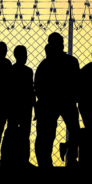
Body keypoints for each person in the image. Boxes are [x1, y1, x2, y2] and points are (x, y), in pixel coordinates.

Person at [34, 33, 81, 167]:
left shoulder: (45, 64)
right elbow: (77, 82)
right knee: (52, 134)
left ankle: (47, 162)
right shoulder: (70, 61)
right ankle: (67, 159)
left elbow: (38, 84)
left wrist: (42, 100)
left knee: (47, 135)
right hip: (63, 101)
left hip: (52, 103)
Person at [4, 45, 35, 168]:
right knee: (23, 134)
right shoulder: (27, 71)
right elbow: (30, 90)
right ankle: (22, 159)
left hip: (14, 106)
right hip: (24, 106)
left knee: (12, 131)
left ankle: (9, 158)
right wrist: (33, 104)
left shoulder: (11, 70)